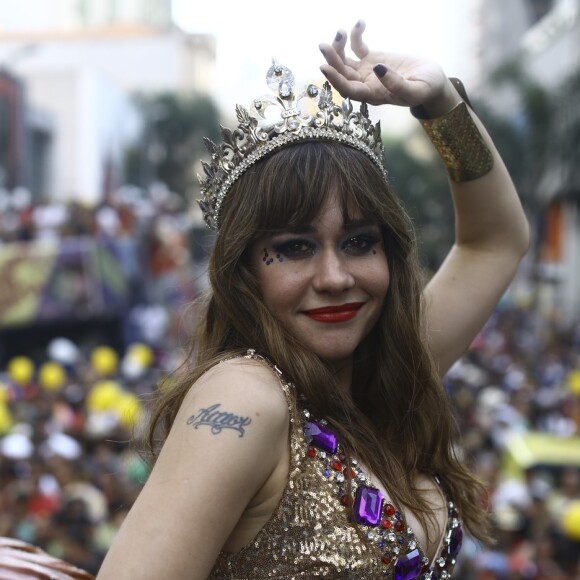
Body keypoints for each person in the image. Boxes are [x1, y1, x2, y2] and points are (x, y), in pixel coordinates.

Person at [97, 20, 529, 579]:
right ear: (243, 269)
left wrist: (442, 106)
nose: (334, 277)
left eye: (358, 242)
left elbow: (495, 242)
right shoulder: (245, 398)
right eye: (295, 247)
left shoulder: (384, 378)